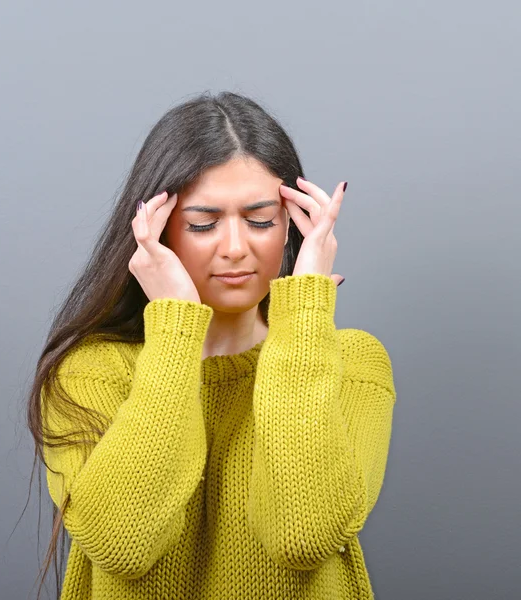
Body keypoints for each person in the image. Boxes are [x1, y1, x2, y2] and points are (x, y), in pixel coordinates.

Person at [26, 90, 397, 600]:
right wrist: (175, 328)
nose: (236, 247)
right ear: (155, 231)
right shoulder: (90, 372)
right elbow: (123, 545)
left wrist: (304, 317)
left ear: (294, 225)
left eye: (261, 220)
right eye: (203, 224)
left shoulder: (351, 362)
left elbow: (304, 535)